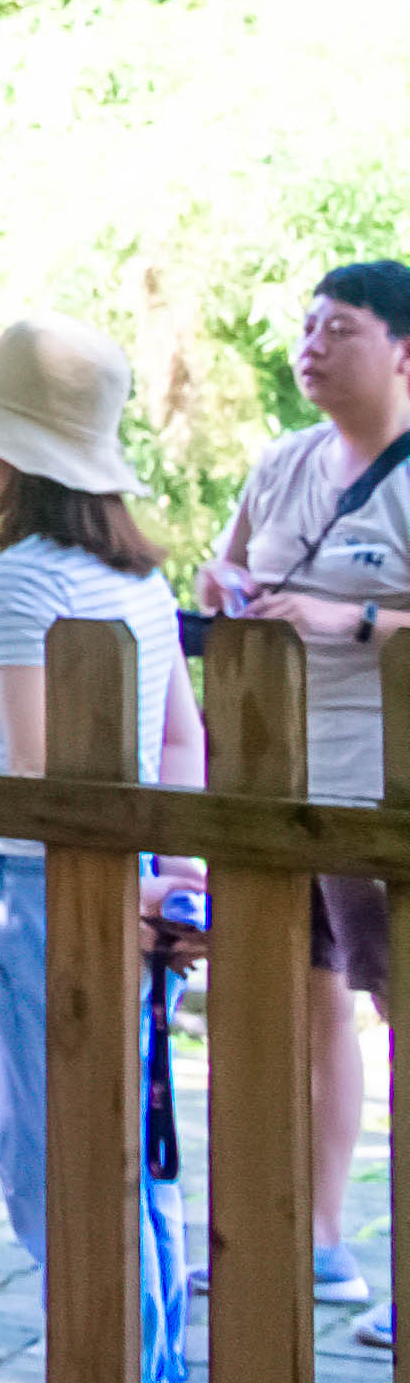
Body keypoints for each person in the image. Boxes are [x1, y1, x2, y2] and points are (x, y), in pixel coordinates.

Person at [0, 319, 205, 1359]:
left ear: (12, 450)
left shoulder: (23, 578)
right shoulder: (139, 577)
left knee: (45, 1147)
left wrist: (113, 885)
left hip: (42, 886)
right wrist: (170, 878)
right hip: (136, 874)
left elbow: (41, 776)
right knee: (132, 1131)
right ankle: (144, 1370)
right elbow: (179, 738)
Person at [200, 259, 410, 1325]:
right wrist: (225, 587)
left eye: (342, 329)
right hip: (276, 787)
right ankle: (318, 1243)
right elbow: (224, 565)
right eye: (308, 326)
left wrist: (354, 620)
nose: (312, 347)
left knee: (395, 1005)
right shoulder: (283, 463)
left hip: (382, 793)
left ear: (404, 351)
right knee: (301, 1003)